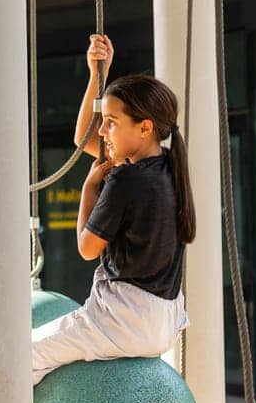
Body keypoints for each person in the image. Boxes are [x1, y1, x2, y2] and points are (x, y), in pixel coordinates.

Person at [31, 33, 196, 385]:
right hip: (164, 320)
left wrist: (89, 190)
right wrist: (97, 74)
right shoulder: (168, 165)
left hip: (124, 318)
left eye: (112, 122)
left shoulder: (125, 179)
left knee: (18, 356)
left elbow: (87, 249)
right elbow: (84, 138)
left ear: (145, 127)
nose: (103, 130)